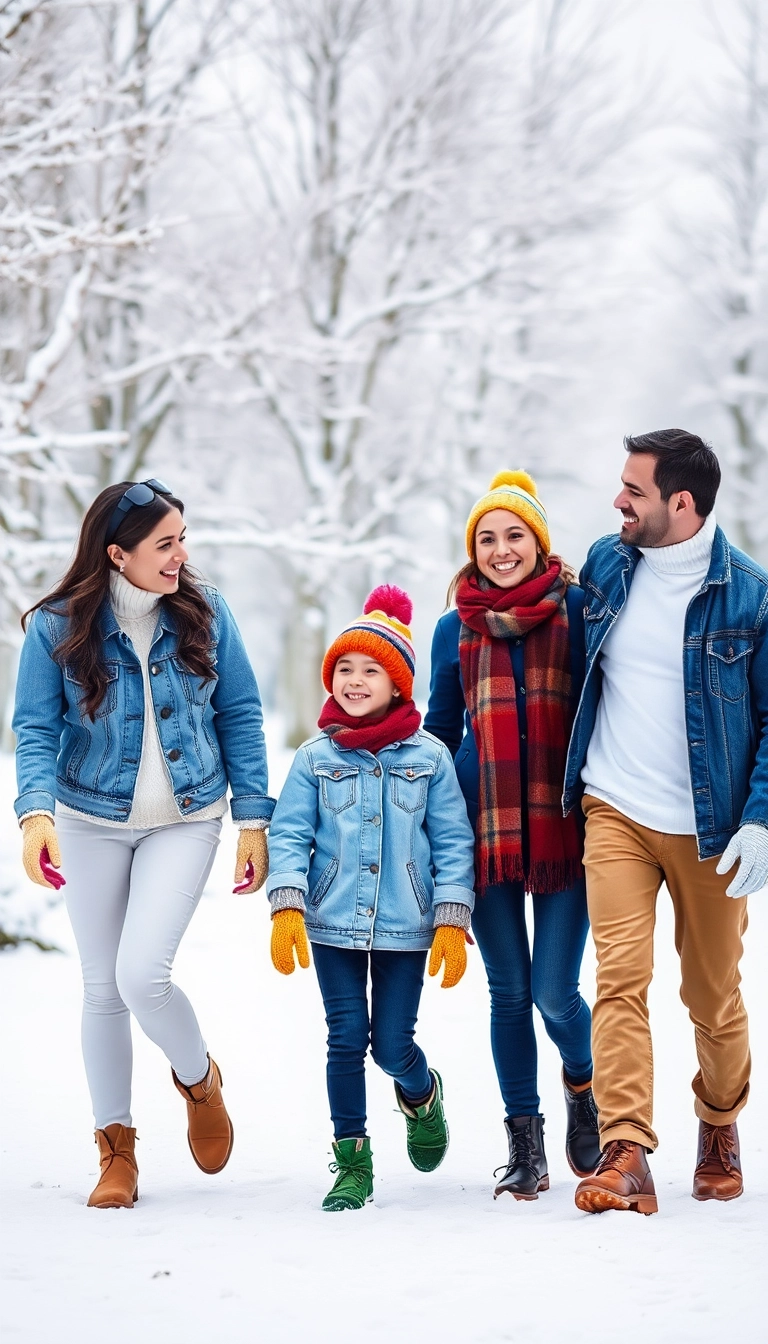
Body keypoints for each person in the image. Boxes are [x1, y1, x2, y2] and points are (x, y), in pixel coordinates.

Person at [13, 479, 275, 1209]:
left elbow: (242, 712)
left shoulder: (207, 613)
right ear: (117, 553)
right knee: (101, 988)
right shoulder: (54, 626)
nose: (181, 556)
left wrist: (253, 820)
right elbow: (34, 728)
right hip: (87, 819)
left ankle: (198, 1078)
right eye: (166, 543)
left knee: (141, 976)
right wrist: (35, 816)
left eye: (183, 538)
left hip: (186, 817)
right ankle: (116, 1150)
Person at [564, 429, 767, 1215]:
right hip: (614, 804)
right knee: (619, 979)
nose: (618, 501)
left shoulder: (750, 595)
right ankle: (627, 1152)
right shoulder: (610, 564)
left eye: (634, 491)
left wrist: (759, 821)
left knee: (713, 995)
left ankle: (718, 1124)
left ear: (681, 503)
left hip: (712, 829)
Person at [265, 585, 475, 1211]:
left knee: (390, 1044)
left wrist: (450, 919)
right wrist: (287, 907)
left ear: (399, 683)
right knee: (345, 1037)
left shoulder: (431, 758)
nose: (355, 681)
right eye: (344, 670)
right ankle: (352, 1159)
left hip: (408, 926)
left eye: (370, 670)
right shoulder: (313, 758)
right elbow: (291, 833)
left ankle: (421, 1093)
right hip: (331, 923)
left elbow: (454, 842)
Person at [425, 471, 600, 1200]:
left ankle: (583, 1084)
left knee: (556, 992)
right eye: (487, 539)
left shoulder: (580, 610)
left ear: (539, 541)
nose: (501, 550)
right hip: (483, 831)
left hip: (565, 826)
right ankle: (524, 1143)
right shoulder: (451, 627)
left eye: (514, 535)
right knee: (509, 993)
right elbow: (437, 734)